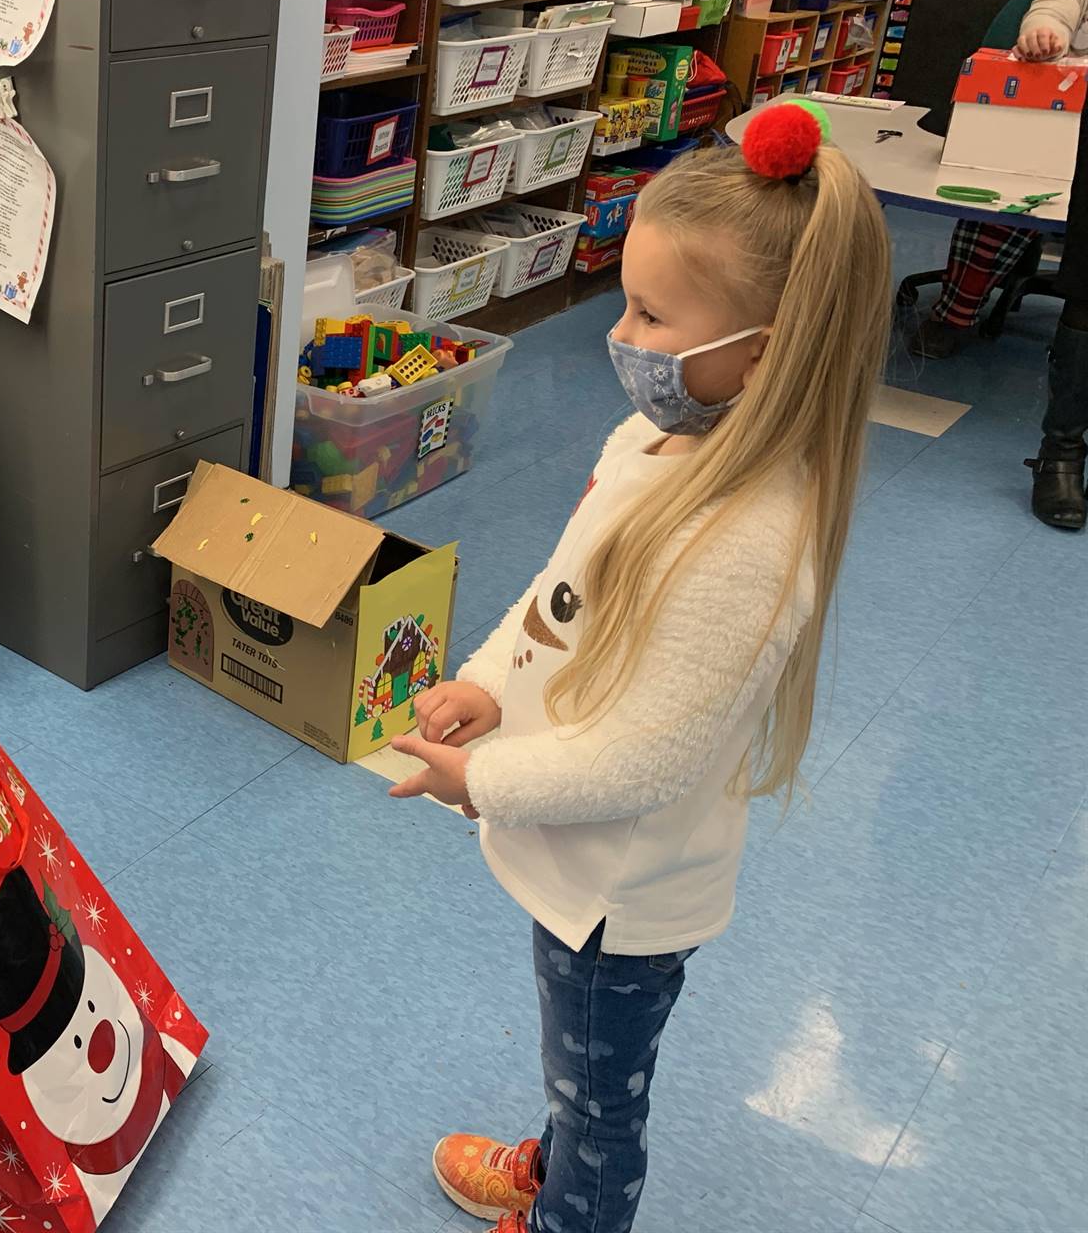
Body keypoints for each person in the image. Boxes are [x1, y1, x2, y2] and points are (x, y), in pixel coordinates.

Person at [378, 101, 891, 1233]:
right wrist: (482, 686)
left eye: (654, 315)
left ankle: (573, 1205)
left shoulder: (751, 539)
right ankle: (550, 1169)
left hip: (622, 900)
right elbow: (556, 596)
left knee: (602, 1102)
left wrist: (484, 781)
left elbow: (649, 759)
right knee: (578, 1073)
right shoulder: (657, 441)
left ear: (765, 350)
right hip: (580, 862)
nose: (623, 339)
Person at [910, 0, 1085, 364]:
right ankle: (954, 315)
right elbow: (1052, 10)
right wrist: (1044, 33)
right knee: (1000, 195)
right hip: (1053, 122)